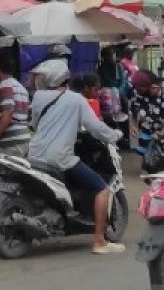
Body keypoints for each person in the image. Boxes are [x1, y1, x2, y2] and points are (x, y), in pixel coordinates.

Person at [27, 60, 124, 255]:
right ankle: (99, 240)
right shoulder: (76, 100)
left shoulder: (38, 97)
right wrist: (115, 135)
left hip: (34, 154)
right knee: (102, 189)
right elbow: (96, 128)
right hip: (60, 158)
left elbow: (36, 124)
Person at [0, 55, 31, 158]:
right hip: (24, 139)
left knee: (7, 173)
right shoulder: (21, 87)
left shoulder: (4, 85)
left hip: (11, 142)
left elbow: (8, 113)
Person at [128, 71, 164, 152]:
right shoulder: (137, 94)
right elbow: (133, 112)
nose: (137, 90)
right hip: (145, 135)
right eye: (135, 88)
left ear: (149, 86)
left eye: (139, 88)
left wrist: (163, 131)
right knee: (148, 161)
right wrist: (134, 126)